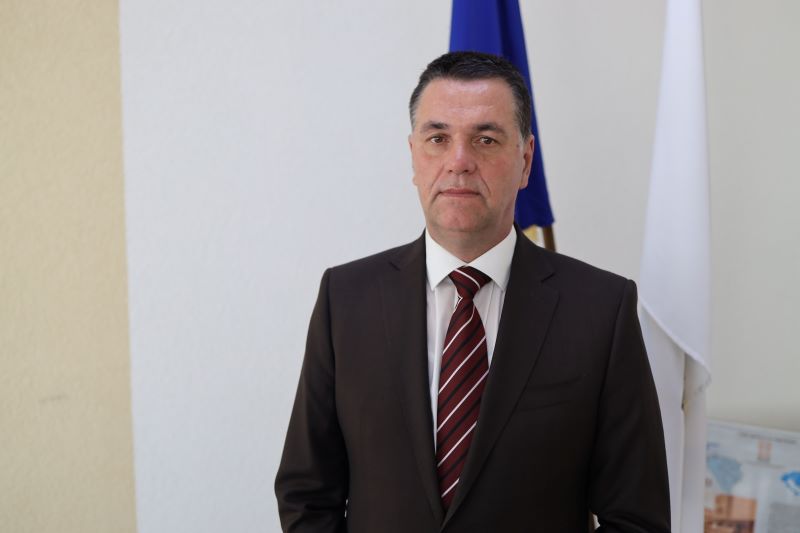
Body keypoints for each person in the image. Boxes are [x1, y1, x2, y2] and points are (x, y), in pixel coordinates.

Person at [275, 51, 670, 532]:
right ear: (414, 156)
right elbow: (307, 495)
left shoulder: (601, 309)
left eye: (485, 139)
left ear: (525, 161)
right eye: (438, 139)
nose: (459, 161)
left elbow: (636, 518)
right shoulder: (345, 300)